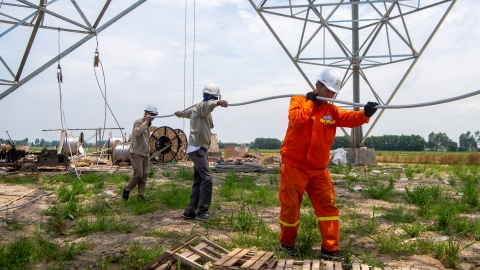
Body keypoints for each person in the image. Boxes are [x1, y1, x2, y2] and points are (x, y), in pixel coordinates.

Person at [278, 68, 379, 259]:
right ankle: (286, 244)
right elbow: (297, 120)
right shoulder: (298, 101)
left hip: (318, 169)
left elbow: (347, 118)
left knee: (328, 207)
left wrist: (365, 114)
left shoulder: (331, 110)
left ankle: (330, 248)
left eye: (334, 93)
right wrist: (310, 101)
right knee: (290, 207)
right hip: (294, 167)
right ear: (318, 86)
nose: (331, 96)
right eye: (329, 92)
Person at [174, 83, 228, 221]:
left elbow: (188, 113)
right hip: (197, 148)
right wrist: (219, 102)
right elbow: (207, 105)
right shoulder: (203, 107)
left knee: (199, 179)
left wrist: (180, 114)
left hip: (199, 148)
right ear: (213, 96)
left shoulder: (197, 109)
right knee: (207, 178)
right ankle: (202, 211)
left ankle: (190, 210)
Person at [123, 105, 158, 201]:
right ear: (146, 113)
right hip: (137, 153)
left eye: (154, 115)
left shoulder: (148, 125)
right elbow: (137, 133)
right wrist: (146, 121)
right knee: (138, 174)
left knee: (144, 175)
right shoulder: (139, 122)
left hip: (145, 154)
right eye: (151, 114)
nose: (152, 117)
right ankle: (127, 189)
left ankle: (141, 196)